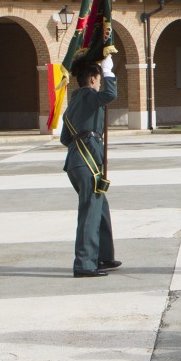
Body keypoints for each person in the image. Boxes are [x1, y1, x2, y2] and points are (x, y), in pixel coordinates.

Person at [60, 55, 120, 278]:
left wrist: (83, 140)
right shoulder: (89, 96)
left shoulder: (73, 102)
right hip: (87, 160)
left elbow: (65, 138)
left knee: (99, 206)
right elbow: (111, 94)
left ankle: (103, 255)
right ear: (94, 79)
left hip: (77, 161)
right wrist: (109, 72)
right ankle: (84, 263)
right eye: (99, 78)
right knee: (90, 211)